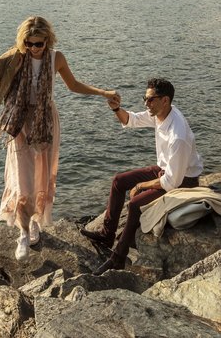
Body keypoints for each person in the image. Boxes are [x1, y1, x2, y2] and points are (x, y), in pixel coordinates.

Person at [0, 16, 119, 262]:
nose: (33, 48)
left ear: (47, 41)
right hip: (20, 122)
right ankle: (22, 232)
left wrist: (103, 92)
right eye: (28, 43)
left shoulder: (56, 58)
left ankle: (34, 222)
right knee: (23, 182)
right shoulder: (16, 58)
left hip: (46, 121)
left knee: (41, 176)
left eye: (38, 44)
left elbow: (73, 85)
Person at [81, 77, 203, 275]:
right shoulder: (159, 113)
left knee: (136, 203)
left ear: (165, 100)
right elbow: (131, 120)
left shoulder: (177, 135)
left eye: (150, 100)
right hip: (165, 169)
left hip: (184, 180)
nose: (146, 104)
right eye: (144, 99)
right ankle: (106, 235)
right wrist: (115, 109)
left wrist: (142, 186)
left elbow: (172, 182)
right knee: (119, 181)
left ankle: (118, 258)